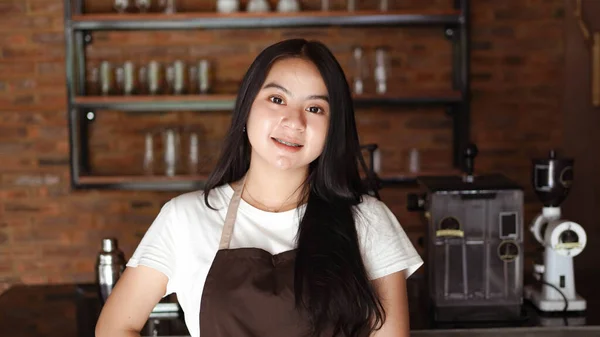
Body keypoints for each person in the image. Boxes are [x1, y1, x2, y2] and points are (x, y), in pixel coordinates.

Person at [95, 38, 423, 337]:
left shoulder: (367, 220)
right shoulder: (184, 218)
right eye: (277, 99)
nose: (295, 122)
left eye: (315, 108)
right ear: (247, 107)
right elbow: (114, 328)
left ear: (333, 128)